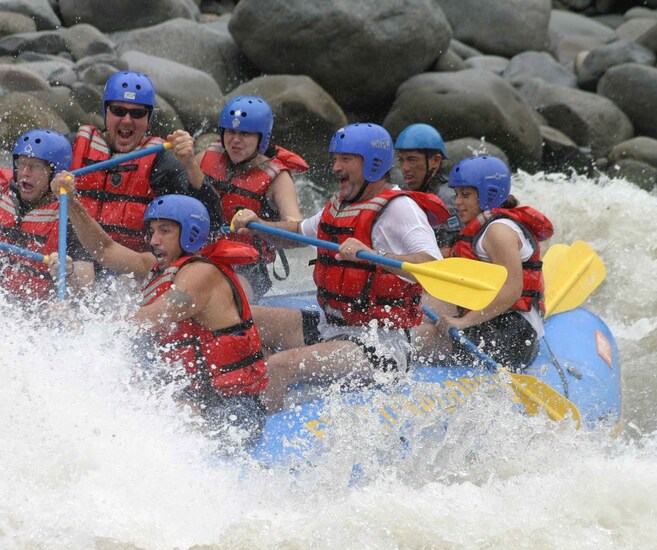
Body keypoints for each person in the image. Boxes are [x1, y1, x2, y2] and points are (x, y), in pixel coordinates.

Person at [231, 123, 449, 412]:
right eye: (335, 159)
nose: (335, 167)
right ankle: (247, 397)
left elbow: (434, 269)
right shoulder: (341, 203)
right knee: (237, 319)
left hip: (379, 345)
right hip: (331, 326)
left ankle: (254, 438)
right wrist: (256, 227)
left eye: (345, 159)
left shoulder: (400, 209)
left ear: (372, 164)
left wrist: (373, 254)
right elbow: (297, 232)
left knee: (280, 366)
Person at [48, 171, 268, 447]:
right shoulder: (157, 267)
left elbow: (146, 319)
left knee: (161, 415)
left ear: (191, 233)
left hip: (233, 413)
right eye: (152, 231)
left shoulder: (200, 275)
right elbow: (104, 249)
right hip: (193, 397)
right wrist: (72, 201)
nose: (153, 240)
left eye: (165, 231)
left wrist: (79, 327)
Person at [69, 70, 223, 259]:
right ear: (105, 111)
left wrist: (190, 164)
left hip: (130, 265)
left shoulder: (161, 161)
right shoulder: (75, 146)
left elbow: (212, 222)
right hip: (74, 257)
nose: (127, 120)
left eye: (137, 113)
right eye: (118, 110)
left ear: (148, 118)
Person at [171, 96, 308, 299]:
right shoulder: (202, 159)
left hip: (248, 267)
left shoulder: (278, 179)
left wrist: (259, 224)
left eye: (245, 134)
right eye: (231, 131)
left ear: (262, 139)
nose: (235, 140)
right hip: (199, 256)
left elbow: (299, 235)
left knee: (220, 297)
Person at [427, 156, 553, 369]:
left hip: (512, 336)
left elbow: (512, 289)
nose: (457, 202)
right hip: (496, 324)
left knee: (422, 336)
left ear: (489, 194)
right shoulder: (485, 228)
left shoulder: (498, 232)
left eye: (465, 195)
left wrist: (463, 322)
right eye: (457, 194)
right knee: (421, 306)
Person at [0, 129, 95, 301]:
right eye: (21, 163)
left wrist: (69, 271)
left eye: (36, 166)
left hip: (26, 310)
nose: (25, 173)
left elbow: (86, 285)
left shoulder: (69, 216)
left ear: (56, 173)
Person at [395, 123, 461, 254]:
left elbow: (453, 251)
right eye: (401, 160)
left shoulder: (448, 198)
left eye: (412, 160)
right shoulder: (412, 193)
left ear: (435, 161)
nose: (405, 167)